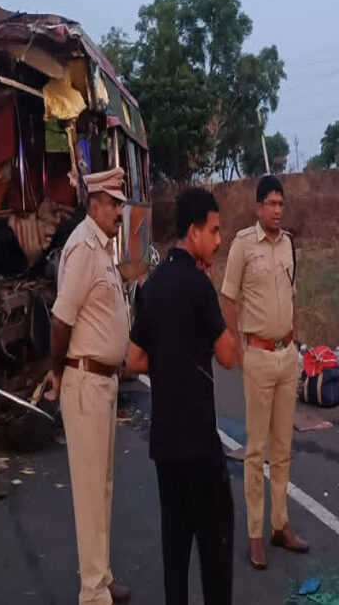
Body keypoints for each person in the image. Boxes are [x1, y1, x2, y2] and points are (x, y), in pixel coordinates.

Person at [125, 188, 237, 605]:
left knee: (175, 549)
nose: (218, 239)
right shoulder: (199, 285)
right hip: (200, 447)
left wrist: (168, 356)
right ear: (194, 232)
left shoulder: (152, 286)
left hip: (165, 446)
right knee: (215, 549)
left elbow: (135, 359)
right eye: (214, 230)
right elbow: (227, 355)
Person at [42, 168, 131, 605]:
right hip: (85, 380)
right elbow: (62, 320)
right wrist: (58, 373)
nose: (119, 210)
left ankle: (102, 576)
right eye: (114, 202)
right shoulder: (82, 248)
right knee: (91, 491)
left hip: (104, 383)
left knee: (104, 487)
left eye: (120, 203)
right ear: (93, 204)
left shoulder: (102, 250)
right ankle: (92, 593)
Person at [220, 175, 308, 569]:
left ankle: (280, 524)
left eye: (280, 204)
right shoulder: (242, 245)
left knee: (283, 448)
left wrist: (297, 343)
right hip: (256, 356)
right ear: (258, 207)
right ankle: (255, 534)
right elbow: (227, 298)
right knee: (256, 451)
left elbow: (291, 297)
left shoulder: (289, 244)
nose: (276, 210)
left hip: (287, 355)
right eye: (270, 203)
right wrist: (237, 349)